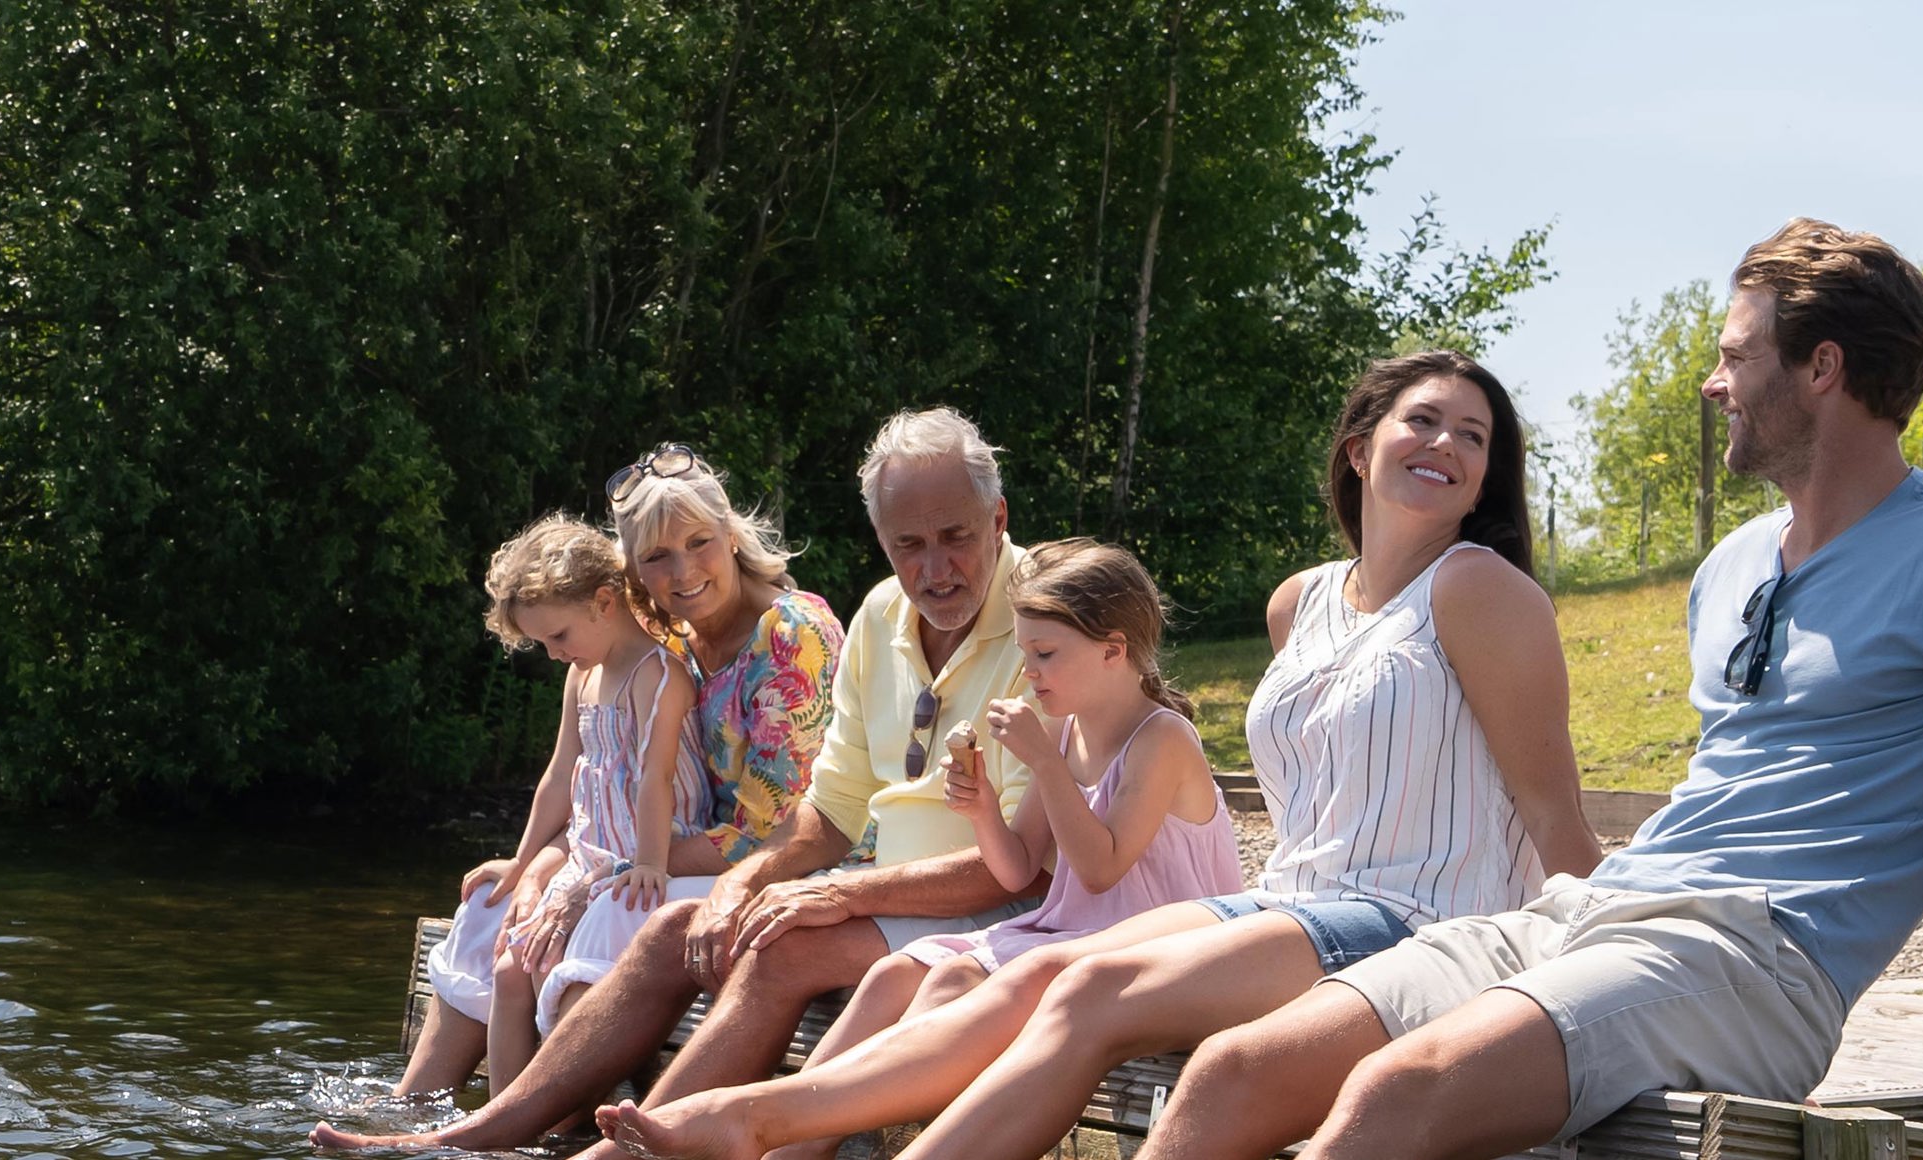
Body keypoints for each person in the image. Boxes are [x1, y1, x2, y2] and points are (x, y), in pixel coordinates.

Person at [1123, 220, 1923, 1160]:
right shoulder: (1731, 566)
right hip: (1592, 911)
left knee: (1399, 1091)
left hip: (1758, 958)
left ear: (1822, 367)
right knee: (1236, 1070)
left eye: (1736, 354)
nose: (1713, 382)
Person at [590, 350, 1603, 1160]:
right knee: (1046, 976)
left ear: (1483, 476)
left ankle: (757, 1122)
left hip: (1419, 921)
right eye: (1421, 419)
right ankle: (760, 1118)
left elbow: (1553, 816)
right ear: (1357, 447)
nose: (1446, 442)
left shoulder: (1479, 588)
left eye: (1472, 435)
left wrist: (1590, 978)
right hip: (1296, 900)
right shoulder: (1300, 601)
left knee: (1088, 994)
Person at [315, 406, 1046, 1153]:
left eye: (955, 537)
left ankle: (604, 1148)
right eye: (906, 544)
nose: (933, 568)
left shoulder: (1043, 624)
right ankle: (470, 1132)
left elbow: (1019, 865)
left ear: (997, 517)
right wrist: (737, 881)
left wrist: (818, 890)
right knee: (669, 923)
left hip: (988, 909)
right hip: (878, 889)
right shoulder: (878, 614)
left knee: (760, 942)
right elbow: (829, 809)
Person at [603, 538, 1239, 1155]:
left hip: (1155, 942)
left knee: (957, 980)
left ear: (1113, 651)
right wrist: (983, 808)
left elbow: (1101, 869)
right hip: (1070, 929)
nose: (1030, 674)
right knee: (892, 976)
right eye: (1024, 654)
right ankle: (787, 1143)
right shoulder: (1067, 728)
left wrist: (1044, 764)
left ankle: (782, 1133)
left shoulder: (1162, 740)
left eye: (1044, 654)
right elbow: (1018, 865)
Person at [385, 448, 846, 1098]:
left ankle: (551, 1125)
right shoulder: (669, 636)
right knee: (495, 908)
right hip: (656, 851)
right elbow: (599, 776)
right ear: (631, 569)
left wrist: (593, 870)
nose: (683, 570)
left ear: (732, 536)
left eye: (699, 542)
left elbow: (774, 830)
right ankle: (409, 1114)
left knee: (606, 911)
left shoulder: (793, 637)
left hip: (779, 861)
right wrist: (545, 860)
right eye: (657, 556)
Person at [401, 514, 709, 1098]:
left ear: (603, 602)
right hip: (592, 854)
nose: (552, 654)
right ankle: (502, 1119)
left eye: (558, 637)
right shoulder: (583, 677)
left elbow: (655, 781)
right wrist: (522, 864)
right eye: (542, 643)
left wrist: (647, 862)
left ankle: (547, 1115)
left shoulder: (658, 675)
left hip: (643, 855)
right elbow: (561, 774)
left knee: (550, 964)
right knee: (511, 966)